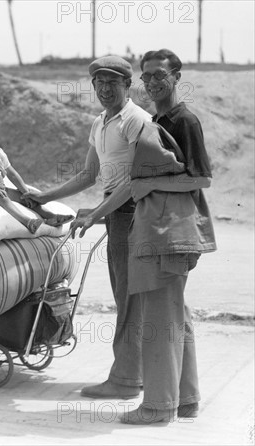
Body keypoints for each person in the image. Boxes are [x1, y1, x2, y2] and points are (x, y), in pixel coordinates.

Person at [70, 48, 217, 424]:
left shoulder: (185, 120)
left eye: (159, 75)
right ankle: (185, 400)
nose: (152, 82)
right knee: (174, 317)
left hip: (169, 232)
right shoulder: (158, 118)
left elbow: (201, 178)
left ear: (177, 76)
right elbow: (135, 183)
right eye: (147, 75)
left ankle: (156, 407)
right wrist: (100, 211)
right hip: (158, 229)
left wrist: (148, 182)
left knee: (159, 320)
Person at [24, 56, 151, 399]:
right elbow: (89, 174)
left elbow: (133, 182)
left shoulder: (136, 120)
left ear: (128, 86)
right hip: (116, 212)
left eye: (114, 83)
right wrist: (43, 197)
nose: (106, 89)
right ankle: (133, 374)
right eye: (100, 83)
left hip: (135, 212)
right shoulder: (100, 123)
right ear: (93, 86)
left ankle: (126, 380)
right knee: (124, 296)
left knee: (129, 299)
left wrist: (95, 213)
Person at [0, 108, 73, 234]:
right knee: (2, 199)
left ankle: (51, 216)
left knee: (26, 197)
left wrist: (25, 191)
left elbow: (12, 174)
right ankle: (27, 222)